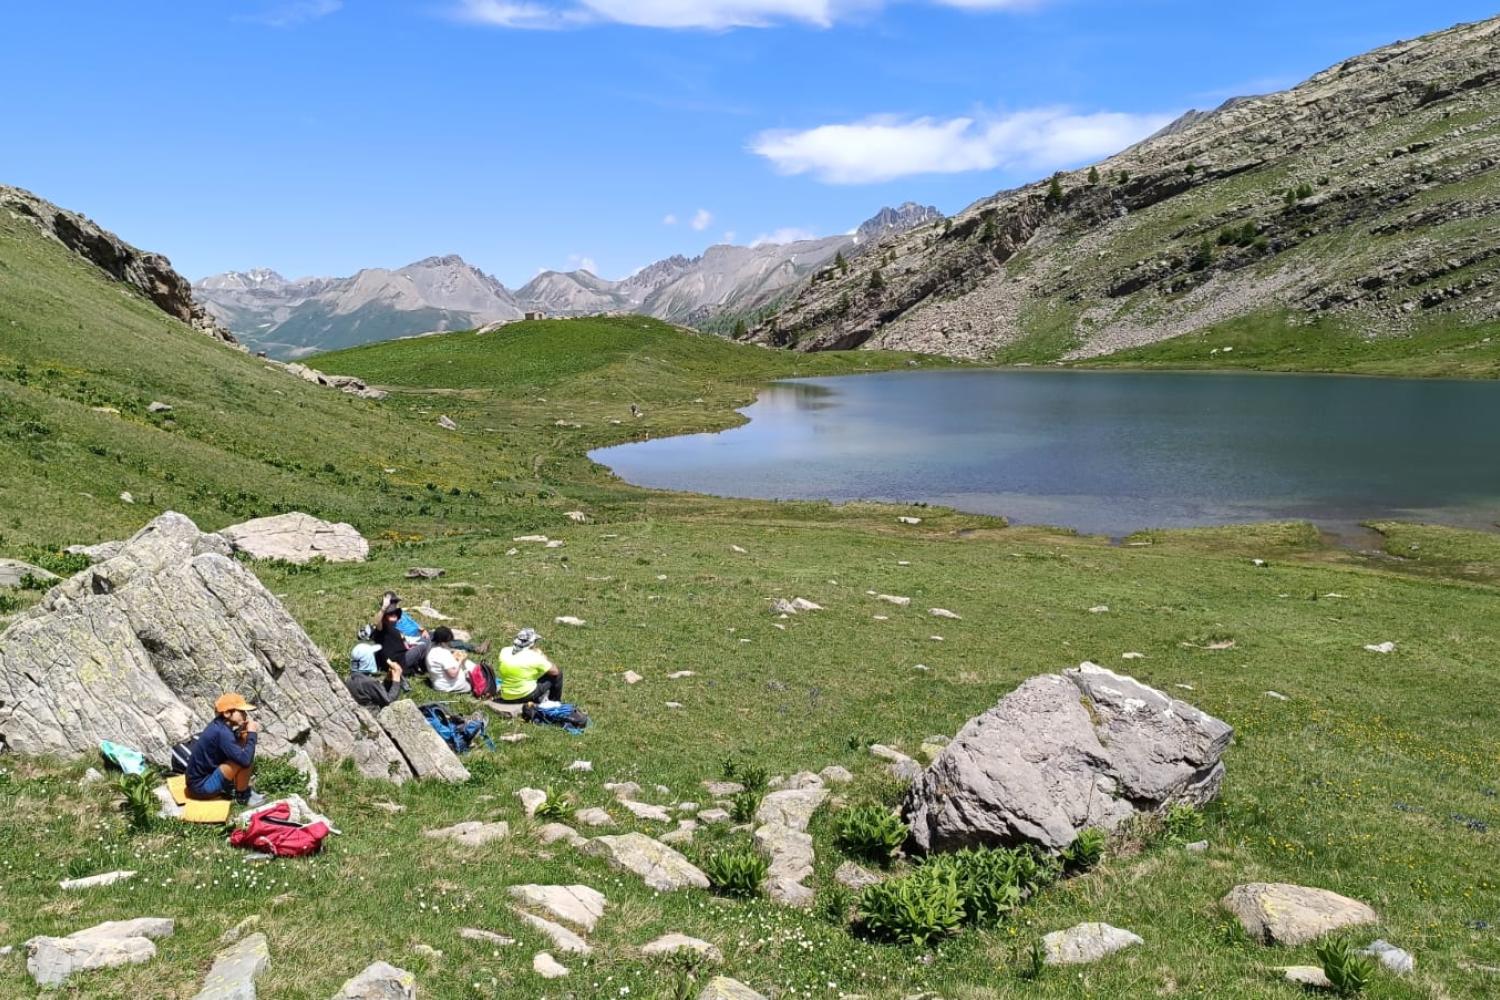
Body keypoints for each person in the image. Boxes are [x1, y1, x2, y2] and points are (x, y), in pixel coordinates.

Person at [186, 693, 264, 806]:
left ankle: (240, 789)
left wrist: (244, 734)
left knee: (244, 741)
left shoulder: (219, 726)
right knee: (244, 758)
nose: (245, 715)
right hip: (201, 789)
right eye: (241, 712)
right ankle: (243, 796)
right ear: (227, 713)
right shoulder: (222, 733)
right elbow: (245, 760)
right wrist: (252, 734)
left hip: (196, 784)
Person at [497, 628, 562, 704]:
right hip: (524, 695)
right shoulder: (534, 656)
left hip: (506, 696)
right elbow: (555, 671)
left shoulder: (504, 651)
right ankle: (554, 703)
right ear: (531, 643)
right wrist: (542, 656)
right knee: (559, 674)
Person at [425, 626, 471, 694]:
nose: (450, 643)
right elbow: (453, 674)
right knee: (469, 686)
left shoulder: (430, 650)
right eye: (449, 641)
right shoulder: (443, 653)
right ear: (444, 642)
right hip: (448, 686)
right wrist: (460, 661)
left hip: (438, 684)